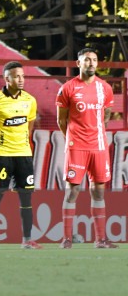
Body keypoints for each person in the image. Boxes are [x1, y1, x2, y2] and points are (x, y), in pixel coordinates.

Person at [56, 48, 117, 249]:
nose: (91, 63)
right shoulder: (68, 88)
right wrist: (73, 139)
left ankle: (100, 239)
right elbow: (61, 120)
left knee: (98, 192)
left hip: (99, 147)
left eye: (94, 60)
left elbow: (106, 116)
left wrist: (96, 134)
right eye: (87, 60)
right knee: (72, 191)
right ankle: (66, 238)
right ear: (78, 64)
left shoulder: (105, 88)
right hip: (76, 148)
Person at [0, 61, 42, 250]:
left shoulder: (30, 100)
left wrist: (22, 145)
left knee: (26, 197)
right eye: (16, 76)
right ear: (7, 78)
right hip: (3, 156)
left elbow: (28, 127)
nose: (21, 79)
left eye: (22, 76)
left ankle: (27, 240)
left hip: (24, 156)